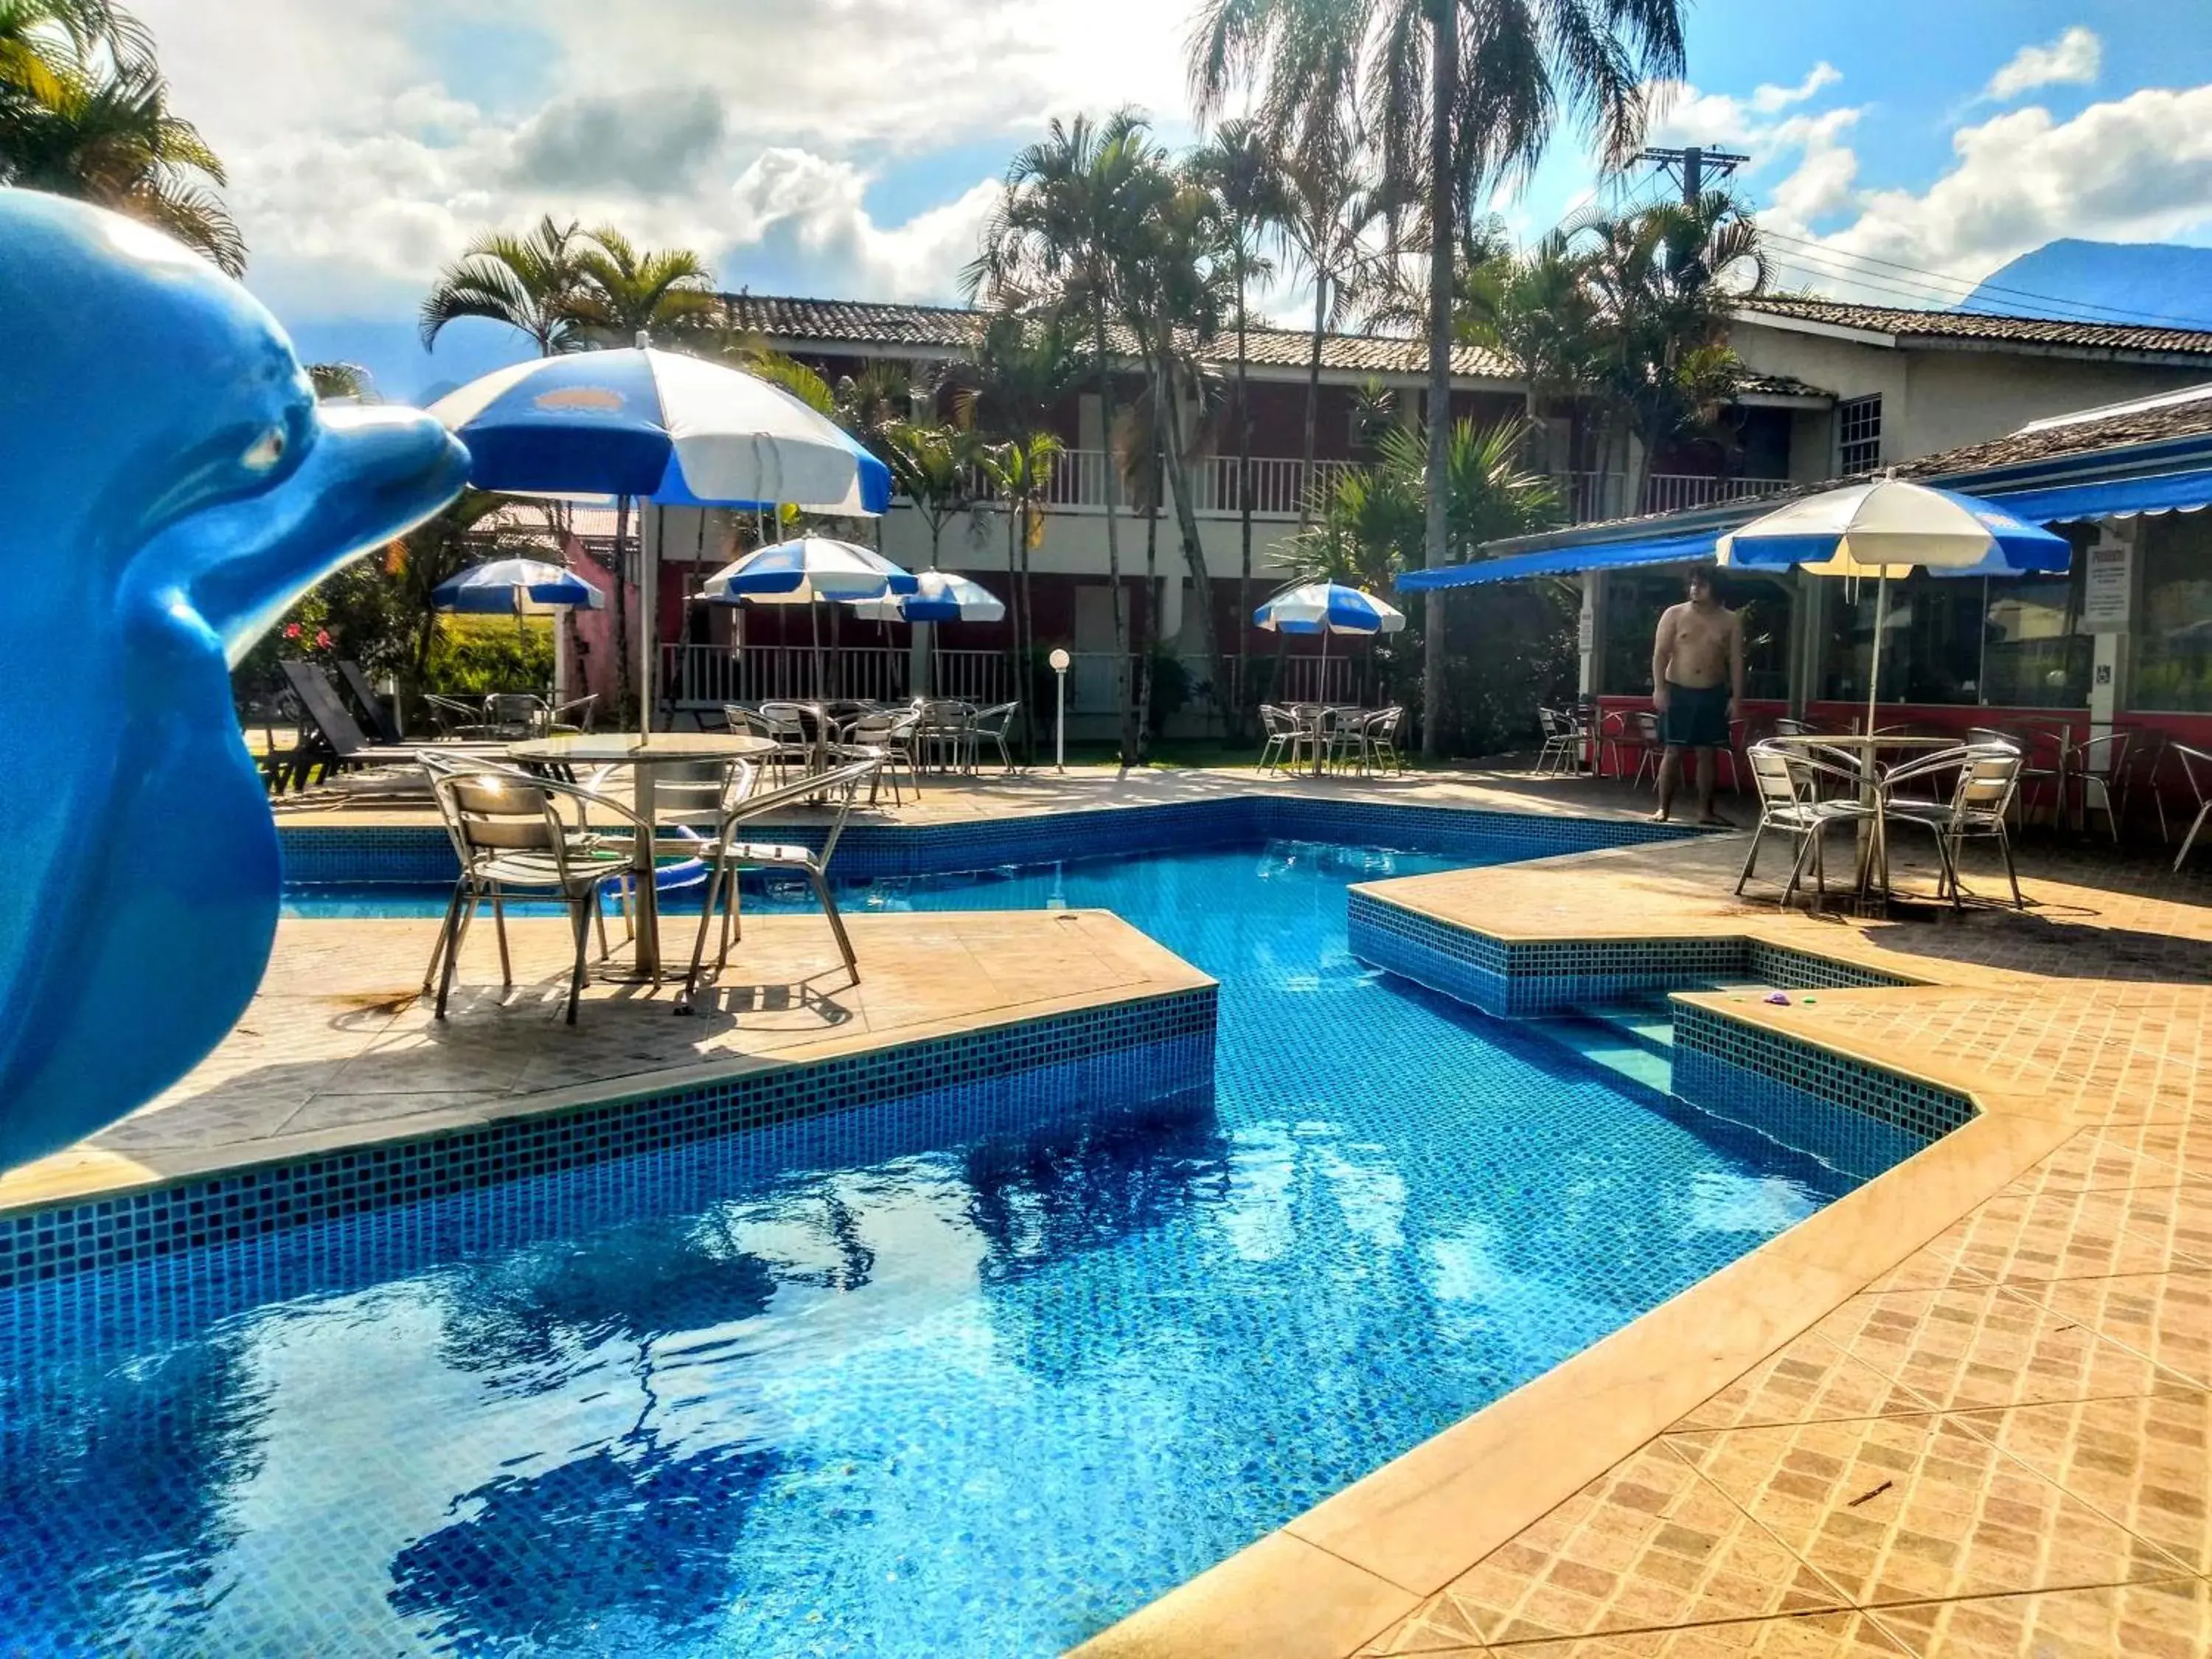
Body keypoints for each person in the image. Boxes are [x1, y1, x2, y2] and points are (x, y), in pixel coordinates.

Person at [1650, 566, 1744, 824]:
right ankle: (1663, 809)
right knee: (1674, 750)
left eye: (1701, 585)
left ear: (1715, 588)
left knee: (1708, 752)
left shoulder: (1730, 620)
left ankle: (1705, 811)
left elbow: (1736, 661)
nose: (1695, 589)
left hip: (1712, 691)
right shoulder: (1675, 614)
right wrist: (1659, 689)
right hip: (1679, 689)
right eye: (1692, 584)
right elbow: (1660, 654)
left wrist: (1736, 698)